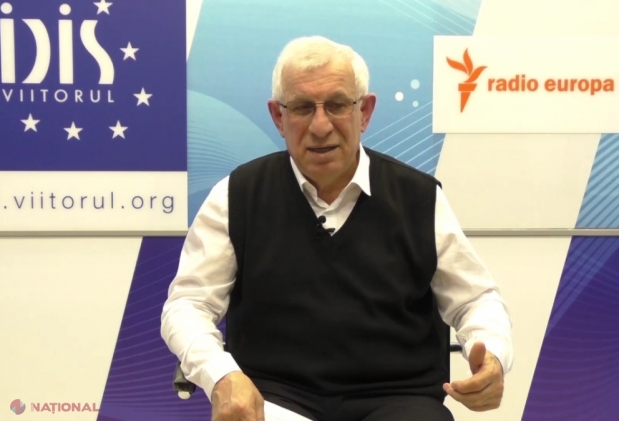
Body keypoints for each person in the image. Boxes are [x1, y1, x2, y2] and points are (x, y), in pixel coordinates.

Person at [161, 36, 513, 421]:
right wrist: (221, 375)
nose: (320, 125)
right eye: (301, 107)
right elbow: (188, 305)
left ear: (365, 112)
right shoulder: (237, 195)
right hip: (272, 401)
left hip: (398, 400)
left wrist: (491, 354)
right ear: (278, 117)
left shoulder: (419, 196)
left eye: (338, 105)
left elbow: (475, 299)